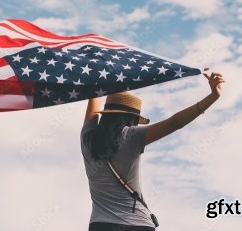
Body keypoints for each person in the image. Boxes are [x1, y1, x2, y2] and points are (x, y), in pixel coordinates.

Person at [80, 69, 225, 231]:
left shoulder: (87, 138)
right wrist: (213, 96)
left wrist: (94, 78)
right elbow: (174, 123)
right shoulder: (131, 136)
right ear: (131, 119)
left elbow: (92, 108)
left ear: (106, 114)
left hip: (100, 225)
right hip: (137, 224)